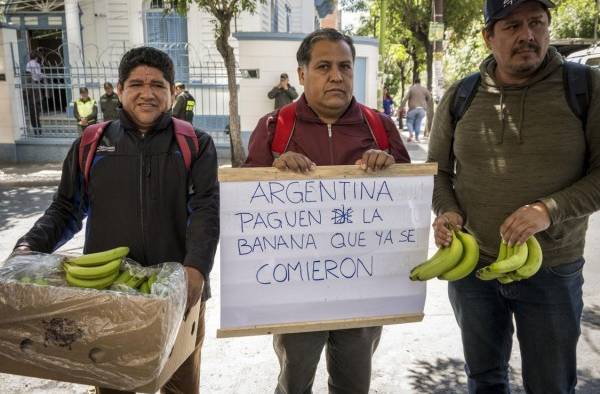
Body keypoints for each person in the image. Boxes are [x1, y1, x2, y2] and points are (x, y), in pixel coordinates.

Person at [12, 46, 220, 394]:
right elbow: (66, 208)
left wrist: (196, 269)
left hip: (179, 296)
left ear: (171, 93)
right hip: (107, 298)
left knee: (180, 387)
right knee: (112, 387)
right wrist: (30, 244)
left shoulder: (195, 143)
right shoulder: (91, 143)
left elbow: (206, 209)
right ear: (120, 90)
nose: (147, 93)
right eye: (136, 84)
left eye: (158, 84)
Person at [427, 0, 600, 392]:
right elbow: (437, 171)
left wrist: (548, 210)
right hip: (474, 269)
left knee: (551, 384)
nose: (528, 35)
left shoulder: (585, 88)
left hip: (552, 270)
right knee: (484, 379)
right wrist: (448, 211)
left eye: (537, 23)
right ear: (489, 36)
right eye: (512, 26)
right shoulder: (462, 95)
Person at [246, 28, 410, 394]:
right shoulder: (274, 127)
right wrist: (273, 170)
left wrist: (390, 166)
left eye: (345, 66)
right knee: (293, 382)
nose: (336, 76)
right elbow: (245, 208)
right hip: (294, 289)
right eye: (324, 66)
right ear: (302, 74)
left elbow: (408, 204)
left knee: (353, 384)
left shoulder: (380, 128)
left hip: (363, 286)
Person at [399, 78, 431, 142]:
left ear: (414, 82)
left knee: (409, 121)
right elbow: (429, 97)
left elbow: (405, 98)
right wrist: (425, 103)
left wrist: (401, 107)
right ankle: (417, 138)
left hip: (413, 109)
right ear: (420, 82)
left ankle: (411, 133)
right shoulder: (424, 89)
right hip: (422, 109)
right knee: (418, 123)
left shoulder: (411, 89)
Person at [25, 53, 44, 134]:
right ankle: (38, 128)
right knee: (36, 109)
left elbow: (28, 75)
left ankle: (36, 129)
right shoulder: (37, 64)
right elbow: (38, 76)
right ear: (36, 58)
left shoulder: (28, 64)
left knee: (32, 111)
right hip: (35, 86)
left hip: (30, 89)